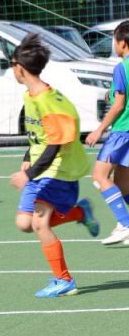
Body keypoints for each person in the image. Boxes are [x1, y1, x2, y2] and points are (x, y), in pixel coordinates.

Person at [8, 33, 98, 298]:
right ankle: (79, 213)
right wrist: (28, 157)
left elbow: (55, 144)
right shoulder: (31, 96)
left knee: (39, 224)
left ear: (20, 68)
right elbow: (40, 136)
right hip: (42, 168)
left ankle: (63, 280)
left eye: (12, 65)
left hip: (58, 171)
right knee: (24, 223)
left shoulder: (50, 102)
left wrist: (29, 174)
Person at [85, 20, 129, 244]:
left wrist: (99, 130)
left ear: (122, 43)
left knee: (100, 176)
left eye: (114, 40)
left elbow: (119, 104)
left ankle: (125, 224)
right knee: (122, 184)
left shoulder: (122, 67)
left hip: (122, 132)